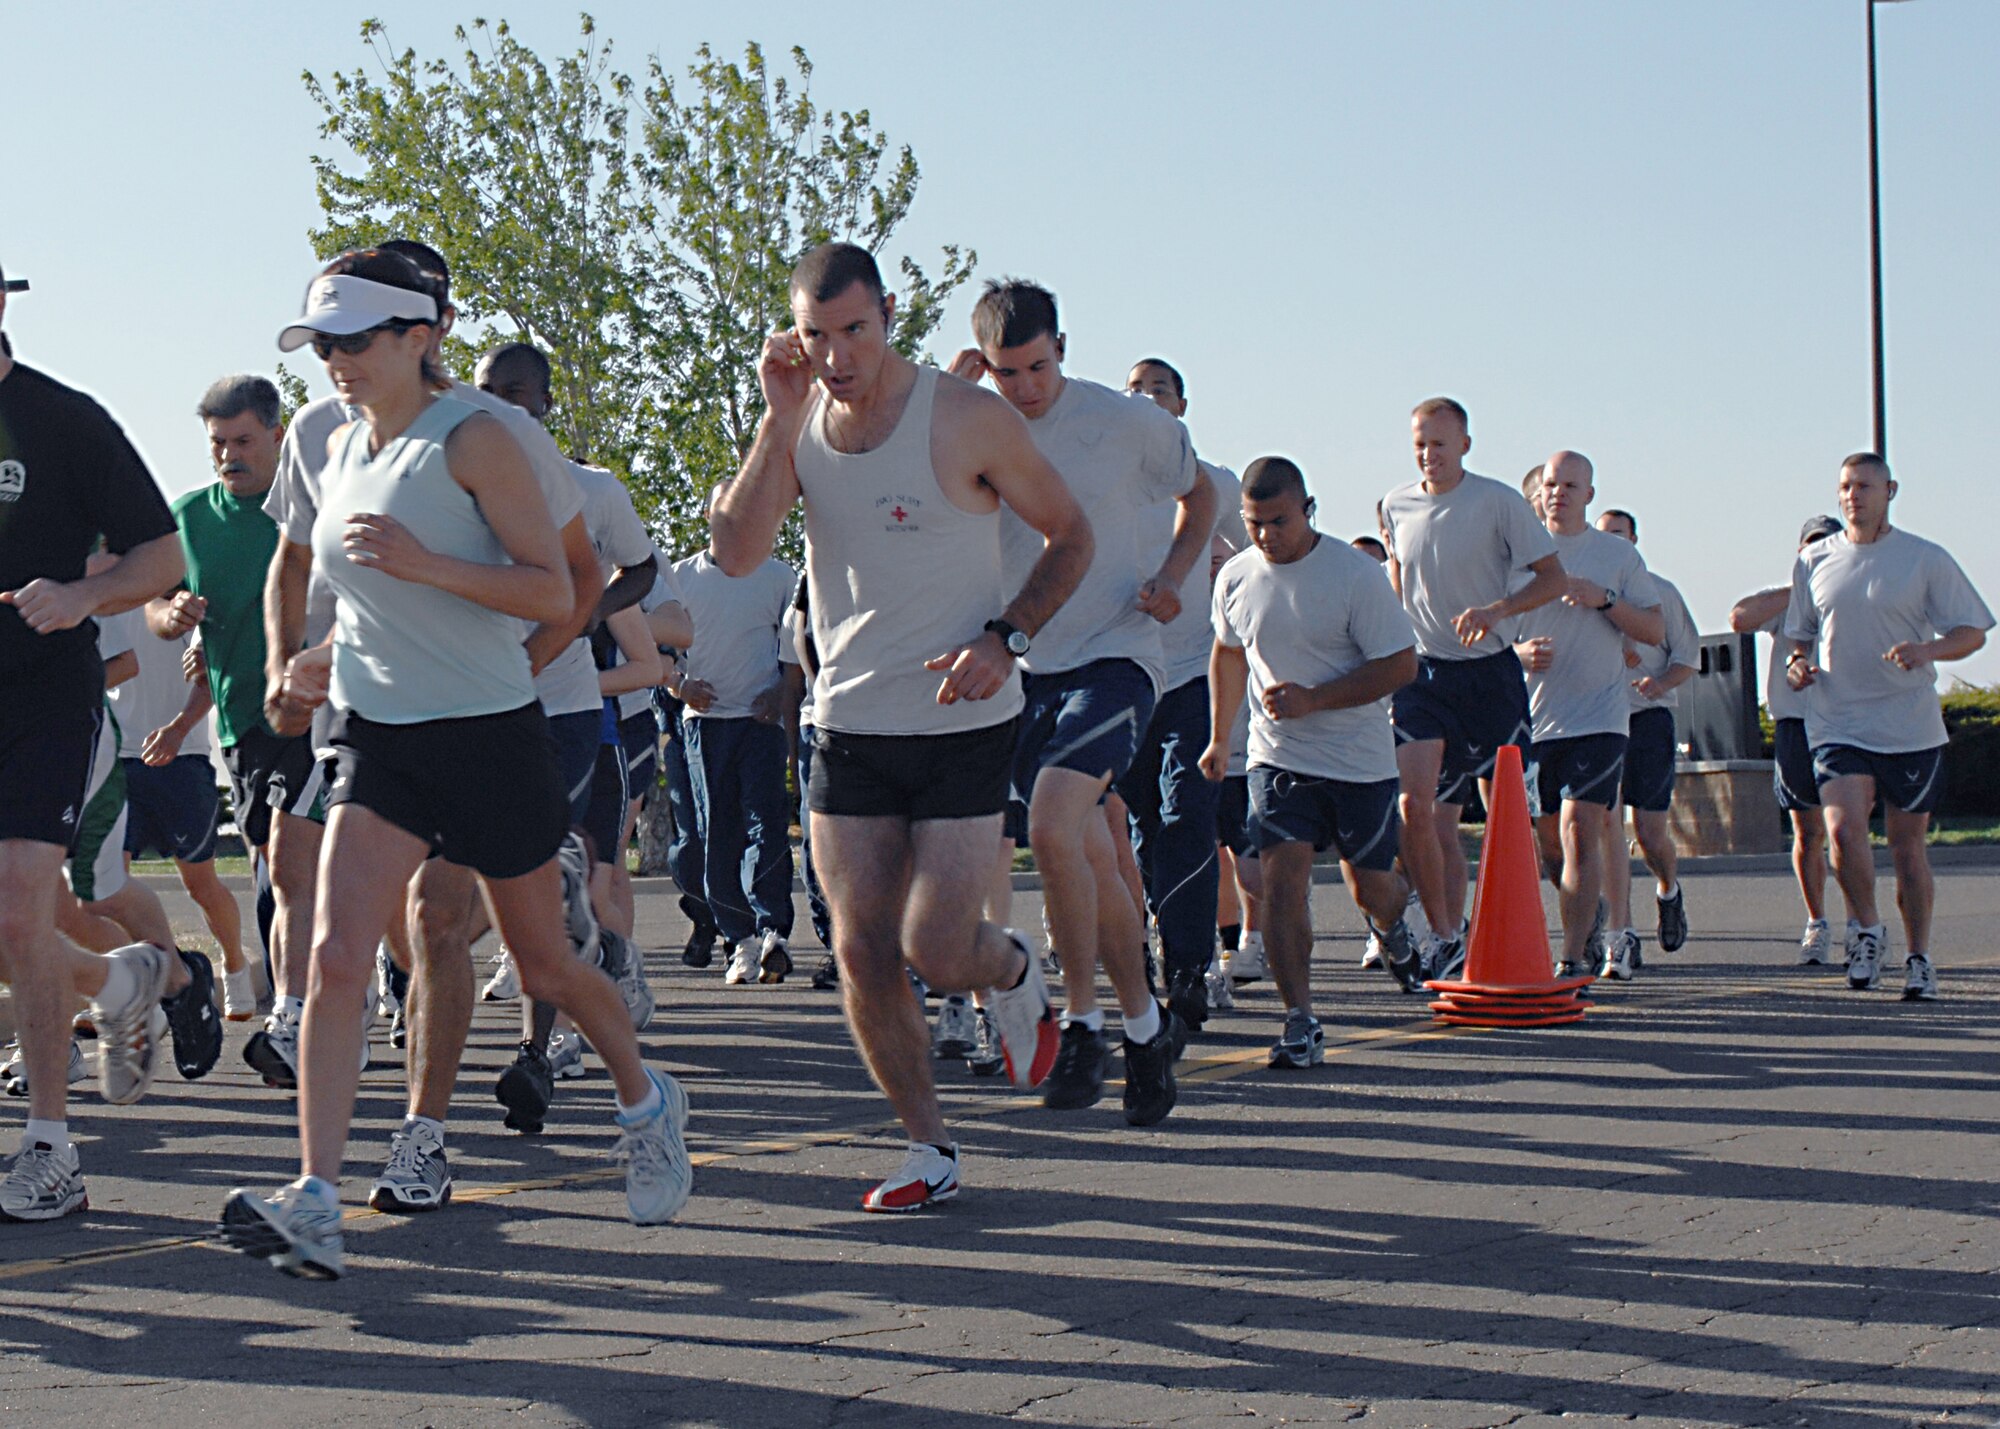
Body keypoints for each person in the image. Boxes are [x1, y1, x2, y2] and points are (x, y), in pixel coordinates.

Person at [220, 248, 689, 1278]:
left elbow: (557, 588)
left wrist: (432, 571)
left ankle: (646, 1101)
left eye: (356, 341)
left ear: (419, 337)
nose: (336, 361)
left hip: (488, 732)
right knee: (337, 956)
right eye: (322, 344)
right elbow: (322, 578)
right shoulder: (332, 442)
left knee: (544, 965)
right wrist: (301, 665)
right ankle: (315, 1197)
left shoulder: (478, 437)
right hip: (378, 736)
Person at [710, 242, 1083, 1208]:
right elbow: (737, 550)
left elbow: (1071, 534)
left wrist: (1008, 635)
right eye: (816, 336)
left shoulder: (963, 417)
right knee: (860, 948)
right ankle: (929, 1147)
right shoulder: (797, 421)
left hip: (964, 717)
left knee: (936, 946)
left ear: (887, 316)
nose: (836, 356)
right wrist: (775, 418)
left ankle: (1011, 969)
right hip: (849, 722)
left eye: (854, 331)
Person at [955, 281, 1215, 1120]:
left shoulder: (1126, 421)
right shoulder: (970, 424)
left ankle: (1083, 1024)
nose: (1025, 387)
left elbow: (1203, 494)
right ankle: (1145, 1027)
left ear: (1062, 347)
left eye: (1037, 367)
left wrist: (1173, 575)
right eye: (1006, 373)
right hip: (1025, 670)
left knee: (1050, 824)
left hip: (1117, 655)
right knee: (1091, 857)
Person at [0, 267, 204, 1222]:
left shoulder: (66, 420)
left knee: (20, 908)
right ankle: (123, 979)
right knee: (11, 929)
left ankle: (52, 1149)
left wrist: (81, 595)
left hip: (44, 703)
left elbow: (164, 555)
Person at [1202, 458, 1422, 1067]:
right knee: (1280, 884)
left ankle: (1393, 927)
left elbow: (1401, 665)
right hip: (1277, 757)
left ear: (1308, 509)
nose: (1265, 535)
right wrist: (1219, 739)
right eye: (1254, 523)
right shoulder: (1236, 576)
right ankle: (1300, 1019)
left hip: (1358, 761)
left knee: (1373, 887)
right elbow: (1228, 653)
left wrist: (1315, 699)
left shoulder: (1355, 575)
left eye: (1278, 521)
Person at [151, 375, 325, 1089]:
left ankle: (299, 1021)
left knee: (289, 865)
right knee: (276, 875)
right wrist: (173, 615)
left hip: (313, 712)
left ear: (277, 436)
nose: (229, 455)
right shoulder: (190, 515)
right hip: (239, 721)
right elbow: (155, 602)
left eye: (243, 440)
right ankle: (340, 994)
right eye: (218, 443)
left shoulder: (311, 506)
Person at [1782, 453, 1991, 999]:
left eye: (1865, 486)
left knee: (1906, 849)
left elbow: (1972, 632)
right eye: (1845, 487)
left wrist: (1928, 650)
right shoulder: (1814, 560)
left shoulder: (1924, 558)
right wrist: (1796, 663)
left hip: (1907, 726)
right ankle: (1868, 932)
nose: (1853, 496)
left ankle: (1919, 957)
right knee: (1842, 831)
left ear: (1890, 491)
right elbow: (1799, 632)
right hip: (1837, 720)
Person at [1382, 399, 1565, 981]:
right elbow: (1398, 578)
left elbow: (1553, 579)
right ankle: (1443, 934)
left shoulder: (1497, 502)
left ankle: (1524, 929)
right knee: (1415, 806)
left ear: (1464, 444)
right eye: (1419, 444)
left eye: (1439, 444)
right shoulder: (1395, 505)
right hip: (1424, 675)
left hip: (1489, 673)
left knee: (1506, 815)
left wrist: (1497, 611)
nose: (1428, 455)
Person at [1119, 357, 1239, 1034]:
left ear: (1182, 406)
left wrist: (1231, 569)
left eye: (1158, 390)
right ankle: (1153, 946)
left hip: (1193, 673)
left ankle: (1191, 965)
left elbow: (1269, 555)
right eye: (1134, 389)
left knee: (1187, 813)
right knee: (1141, 825)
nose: (1145, 399)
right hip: (1125, 673)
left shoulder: (1215, 482)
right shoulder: (1106, 480)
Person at [1513, 454, 1664, 980]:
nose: (1558, 493)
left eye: (1570, 485)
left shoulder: (1615, 555)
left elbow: (1653, 629)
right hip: (1536, 720)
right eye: (1551, 484)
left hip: (1599, 718)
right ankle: (1588, 915)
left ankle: (1572, 958)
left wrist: (1606, 600)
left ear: (1589, 494)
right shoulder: (1517, 555)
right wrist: (1518, 654)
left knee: (1581, 829)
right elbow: (1485, 632)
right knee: (1549, 844)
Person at [110, 605, 251, 1017]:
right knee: (109, 885)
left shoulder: (187, 599)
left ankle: (235, 966)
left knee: (201, 885)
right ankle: (128, 990)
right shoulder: (101, 596)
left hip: (182, 756)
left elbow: (209, 676)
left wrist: (178, 728)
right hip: (117, 760)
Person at [671, 543, 801, 985]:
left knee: (768, 824)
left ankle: (773, 933)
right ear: (710, 516)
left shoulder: (780, 577)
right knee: (716, 835)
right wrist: (681, 687)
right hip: (705, 725)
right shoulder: (681, 577)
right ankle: (739, 940)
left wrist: (780, 693)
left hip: (761, 723)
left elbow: (798, 650)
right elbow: (654, 650)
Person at [1730, 515, 1843, 963]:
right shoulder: (1789, 600)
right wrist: (1801, 586)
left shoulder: (1853, 593)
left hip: (1846, 724)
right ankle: (1817, 922)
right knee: (1807, 831)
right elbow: (1740, 618)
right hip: (1796, 725)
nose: (1819, 552)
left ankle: (1862, 923)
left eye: (1827, 544)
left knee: (1846, 829)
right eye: (1812, 545)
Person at [1594, 508, 1699, 965]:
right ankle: (1621, 931)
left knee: (1651, 833)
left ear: (1635, 541)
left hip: (1649, 719)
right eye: (1605, 536)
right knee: (1606, 824)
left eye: (1620, 535)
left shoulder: (1661, 593)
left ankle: (1668, 890)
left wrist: (1660, 683)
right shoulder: (1587, 593)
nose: (1613, 544)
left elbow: (1687, 657)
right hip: (1601, 719)